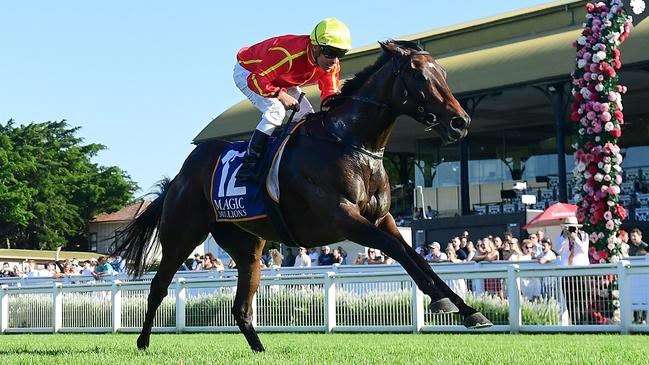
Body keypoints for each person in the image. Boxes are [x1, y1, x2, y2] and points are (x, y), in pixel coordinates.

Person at [234, 18, 352, 181]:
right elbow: (255, 80)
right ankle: (249, 165)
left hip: (281, 79)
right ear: (316, 47)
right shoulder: (288, 54)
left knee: (308, 118)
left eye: (340, 54)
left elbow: (329, 96)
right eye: (330, 53)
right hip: (250, 72)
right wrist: (280, 94)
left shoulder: (332, 65)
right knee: (276, 111)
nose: (334, 61)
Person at [555, 216, 590, 325]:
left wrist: (575, 238)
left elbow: (583, 249)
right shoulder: (562, 236)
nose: (570, 229)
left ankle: (584, 324)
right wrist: (566, 238)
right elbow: (558, 250)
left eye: (572, 227)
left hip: (581, 272)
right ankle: (575, 324)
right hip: (567, 272)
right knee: (570, 301)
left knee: (583, 301)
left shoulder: (583, 235)